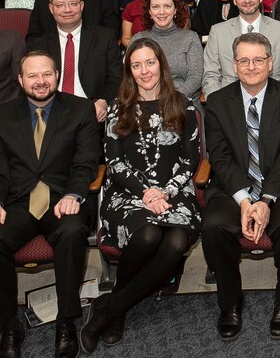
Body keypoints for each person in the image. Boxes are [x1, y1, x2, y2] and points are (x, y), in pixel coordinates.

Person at [0, 51, 102, 358]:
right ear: (20, 80)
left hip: (63, 199)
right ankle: (8, 326)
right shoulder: (2, 114)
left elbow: (86, 162)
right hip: (18, 200)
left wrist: (74, 195)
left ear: (57, 75)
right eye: (32, 76)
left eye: (46, 74)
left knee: (72, 232)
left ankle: (67, 321)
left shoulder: (81, 109)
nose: (40, 81)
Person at [80, 39, 201, 352]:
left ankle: (112, 307)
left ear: (161, 63)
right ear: (129, 71)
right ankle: (120, 306)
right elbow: (114, 162)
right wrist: (146, 192)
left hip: (175, 190)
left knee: (175, 241)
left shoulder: (183, 104)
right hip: (127, 192)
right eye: (136, 65)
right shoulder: (118, 108)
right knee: (147, 235)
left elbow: (191, 160)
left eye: (150, 63)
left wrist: (166, 191)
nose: (145, 71)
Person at [200, 32, 280, 341]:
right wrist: (243, 200)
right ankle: (230, 303)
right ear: (234, 65)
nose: (251, 67)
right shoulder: (218, 102)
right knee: (213, 226)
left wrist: (264, 200)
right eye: (244, 61)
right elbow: (219, 157)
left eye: (258, 60)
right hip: (232, 185)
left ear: (270, 62)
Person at [27, 0, 121, 123]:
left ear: (82, 6)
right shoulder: (38, 45)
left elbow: (117, 78)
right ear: (51, 9)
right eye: (60, 5)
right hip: (50, 113)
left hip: (91, 111)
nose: (67, 10)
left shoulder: (104, 37)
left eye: (73, 4)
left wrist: (103, 101)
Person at [202, 0, 280, 96]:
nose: (247, 0)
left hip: (274, 101)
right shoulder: (218, 32)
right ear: (234, 0)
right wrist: (219, 105)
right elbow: (210, 75)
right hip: (229, 102)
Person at [131, 0, 203, 102]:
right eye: (155, 7)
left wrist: (170, 99)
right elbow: (130, 77)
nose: (161, 12)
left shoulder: (190, 38)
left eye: (167, 6)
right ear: (149, 11)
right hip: (146, 101)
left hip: (182, 101)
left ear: (175, 10)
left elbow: (195, 78)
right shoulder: (138, 39)